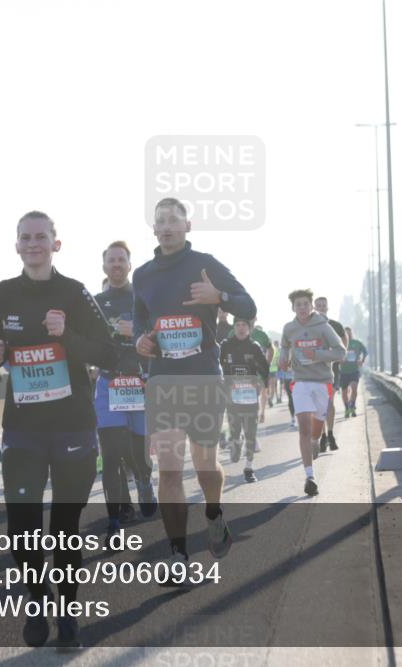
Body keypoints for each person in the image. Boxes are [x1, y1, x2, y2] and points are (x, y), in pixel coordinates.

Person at [0, 211, 119, 650]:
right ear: (17, 245)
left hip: (72, 427)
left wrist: (68, 337)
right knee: (21, 529)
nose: (33, 243)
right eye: (25, 237)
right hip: (23, 429)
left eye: (41, 236)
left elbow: (110, 352)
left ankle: (68, 612)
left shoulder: (76, 293)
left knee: (65, 528)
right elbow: (6, 353)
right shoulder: (2, 294)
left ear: (55, 244)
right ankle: (37, 597)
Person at [134, 197, 256, 571]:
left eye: (174, 220)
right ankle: (177, 553)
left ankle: (214, 513)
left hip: (203, 376)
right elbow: (140, 322)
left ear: (188, 226)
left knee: (205, 465)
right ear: (153, 229)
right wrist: (140, 340)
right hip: (164, 380)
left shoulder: (205, 264)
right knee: (169, 469)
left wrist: (219, 297)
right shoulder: (142, 275)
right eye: (161, 221)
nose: (167, 226)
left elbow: (249, 307)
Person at [94, 241, 158, 549]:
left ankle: (145, 479)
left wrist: (137, 331)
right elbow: (85, 342)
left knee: (136, 455)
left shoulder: (142, 298)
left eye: (121, 260)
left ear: (129, 265)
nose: (116, 265)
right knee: (111, 455)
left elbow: (161, 338)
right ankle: (115, 522)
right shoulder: (95, 302)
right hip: (108, 384)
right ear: (104, 266)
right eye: (111, 260)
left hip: (139, 384)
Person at [278, 289, 346, 496]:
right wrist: (283, 358)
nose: (302, 308)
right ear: (293, 308)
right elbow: (283, 347)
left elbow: (341, 352)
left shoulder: (323, 327)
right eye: (298, 304)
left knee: (315, 430)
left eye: (305, 304)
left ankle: (317, 441)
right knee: (304, 430)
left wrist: (316, 354)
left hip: (322, 382)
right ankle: (310, 477)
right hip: (300, 382)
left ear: (311, 306)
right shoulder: (289, 328)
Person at [219, 317, 269, 482]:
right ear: (234, 327)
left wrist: (262, 383)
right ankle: (235, 441)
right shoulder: (226, 345)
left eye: (244, 325)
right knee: (235, 429)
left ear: (249, 328)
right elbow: (218, 366)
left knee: (250, 431)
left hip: (249, 396)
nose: (241, 328)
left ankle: (249, 468)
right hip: (231, 396)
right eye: (238, 325)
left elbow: (264, 368)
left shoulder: (254, 347)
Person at [312, 296, 347, 453]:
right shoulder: (310, 325)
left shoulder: (335, 325)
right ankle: (323, 435)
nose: (320, 307)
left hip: (332, 369)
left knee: (329, 402)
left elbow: (344, 339)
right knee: (318, 405)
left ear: (327, 307)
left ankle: (331, 433)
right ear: (314, 307)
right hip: (314, 370)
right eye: (318, 305)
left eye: (323, 305)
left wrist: (340, 356)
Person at [339, 326, 368, 417]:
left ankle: (352, 405)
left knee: (354, 388)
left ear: (352, 333)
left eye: (349, 333)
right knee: (344, 393)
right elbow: (334, 353)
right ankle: (347, 408)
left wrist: (362, 360)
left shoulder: (357, 343)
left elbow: (365, 351)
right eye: (346, 333)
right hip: (343, 371)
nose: (348, 335)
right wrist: (339, 359)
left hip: (354, 370)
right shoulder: (340, 343)